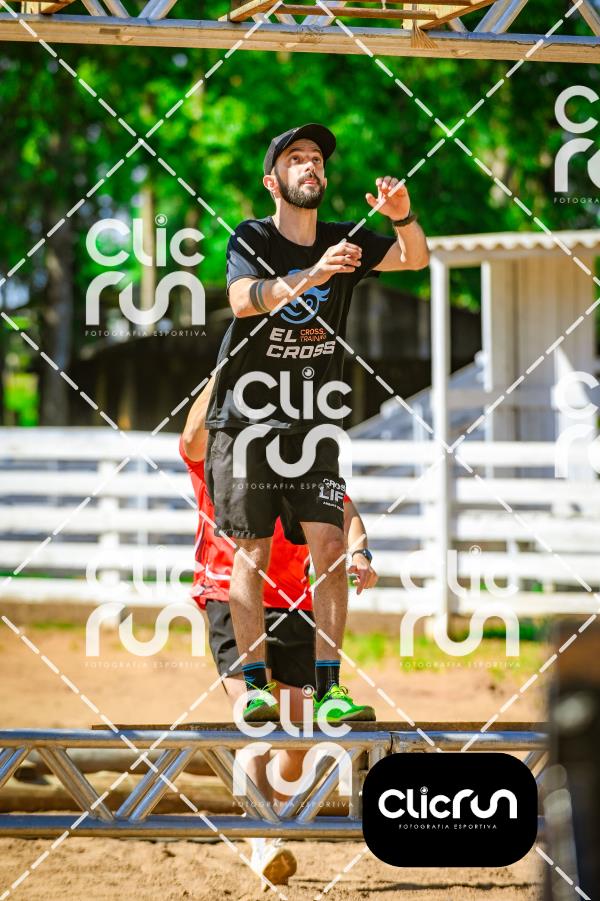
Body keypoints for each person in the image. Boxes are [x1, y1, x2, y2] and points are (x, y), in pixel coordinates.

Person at [204, 123, 429, 723]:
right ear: (272, 181)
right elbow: (244, 299)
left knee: (329, 545)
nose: (310, 166)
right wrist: (317, 275)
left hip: (313, 422)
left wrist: (403, 216)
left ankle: (330, 689)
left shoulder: (343, 239)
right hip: (246, 421)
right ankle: (254, 685)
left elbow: (415, 258)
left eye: (317, 160)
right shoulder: (252, 236)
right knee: (252, 551)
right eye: (296, 159)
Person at [180, 378, 378, 887]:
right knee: (256, 720)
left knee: (299, 741)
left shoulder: (298, 460)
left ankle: (273, 814)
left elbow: (345, 510)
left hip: (295, 605)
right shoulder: (220, 457)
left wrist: (359, 552)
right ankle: (264, 837)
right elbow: (191, 438)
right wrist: (226, 369)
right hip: (227, 593)